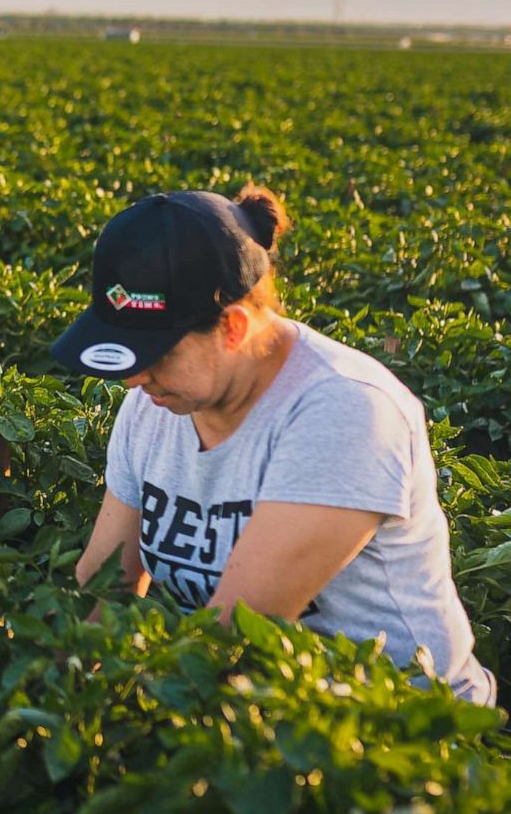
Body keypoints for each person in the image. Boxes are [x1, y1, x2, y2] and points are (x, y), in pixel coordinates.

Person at [52, 187, 494, 706]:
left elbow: (234, 633)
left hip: (410, 734)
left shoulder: (342, 412)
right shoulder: (155, 407)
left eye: (157, 354)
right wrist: (48, 690)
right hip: (269, 715)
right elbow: (104, 588)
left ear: (233, 328)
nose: (133, 379)